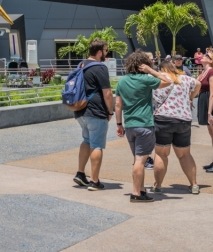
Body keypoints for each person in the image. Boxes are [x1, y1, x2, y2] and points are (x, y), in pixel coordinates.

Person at [114, 51, 171, 202]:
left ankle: (141, 189)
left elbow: (118, 105)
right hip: (144, 124)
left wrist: (119, 124)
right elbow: (167, 81)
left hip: (130, 125)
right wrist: (151, 71)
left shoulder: (122, 81)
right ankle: (136, 193)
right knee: (141, 160)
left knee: (138, 159)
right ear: (144, 64)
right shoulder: (146, 79)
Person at [149, 59, 200, 194]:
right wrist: (191, 97)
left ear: (161, 69)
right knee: (184, 154)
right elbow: (199, 83)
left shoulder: (159, 79)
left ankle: (158, 185)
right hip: (183, 119)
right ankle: (194, 184)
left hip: (163, 118)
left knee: (161, 154)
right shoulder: (185, 78)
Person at [72, 39, 115, 192]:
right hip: (96, 111)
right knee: (96, 145)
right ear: (99, 52)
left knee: (86, 140)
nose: (106, 53)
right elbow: (108, 93)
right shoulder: (100, 67)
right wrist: (110, 111)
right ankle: (94, 181)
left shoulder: (81, 65)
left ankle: (80, 173)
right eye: (105, 50)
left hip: (80, 110)